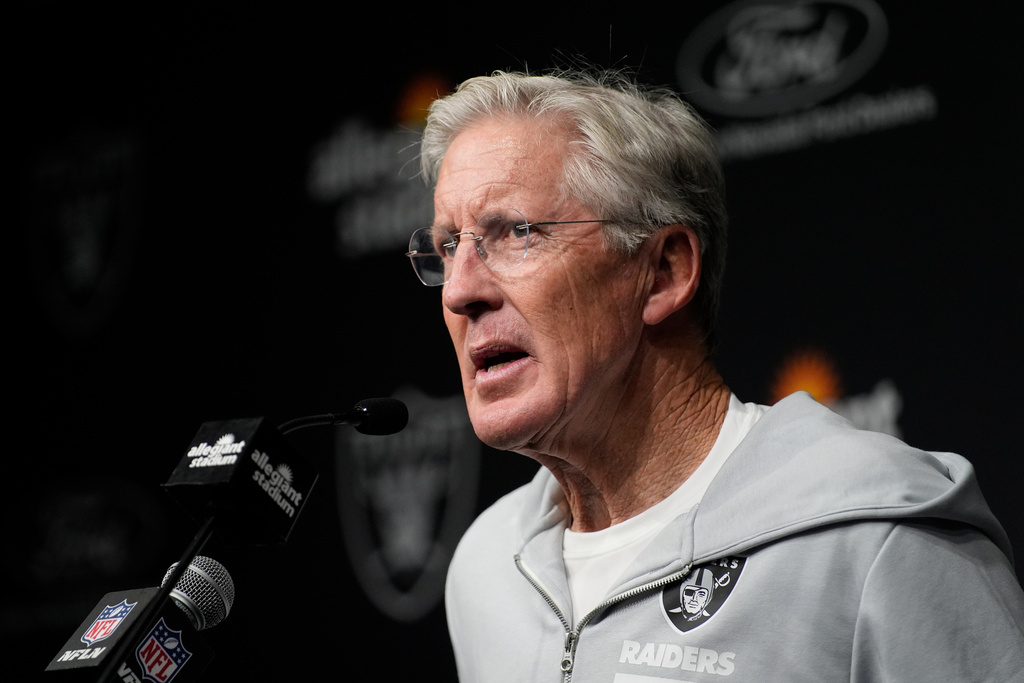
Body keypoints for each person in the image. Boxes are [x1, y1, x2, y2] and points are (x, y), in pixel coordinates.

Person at [406, 69, 1024, 681]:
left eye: (516, 233)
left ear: (665, 272)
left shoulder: (873, 541)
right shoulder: (488, 569)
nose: (460, 291)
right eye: (448, 246)